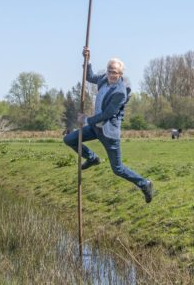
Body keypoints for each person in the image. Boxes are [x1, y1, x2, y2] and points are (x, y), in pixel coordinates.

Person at [63, 47, 154, 203]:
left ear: (120, 74)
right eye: (110, 71)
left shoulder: (120, 92)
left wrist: (86, 120)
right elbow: (89, 76)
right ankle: (92, 158)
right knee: (69, 139)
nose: (111, 75)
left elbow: (107, 115)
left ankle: (144, 183)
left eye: (115, 73)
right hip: (94, 128)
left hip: (108, 132)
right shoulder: (104, 79)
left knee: (117, 169)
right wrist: (87, 60)